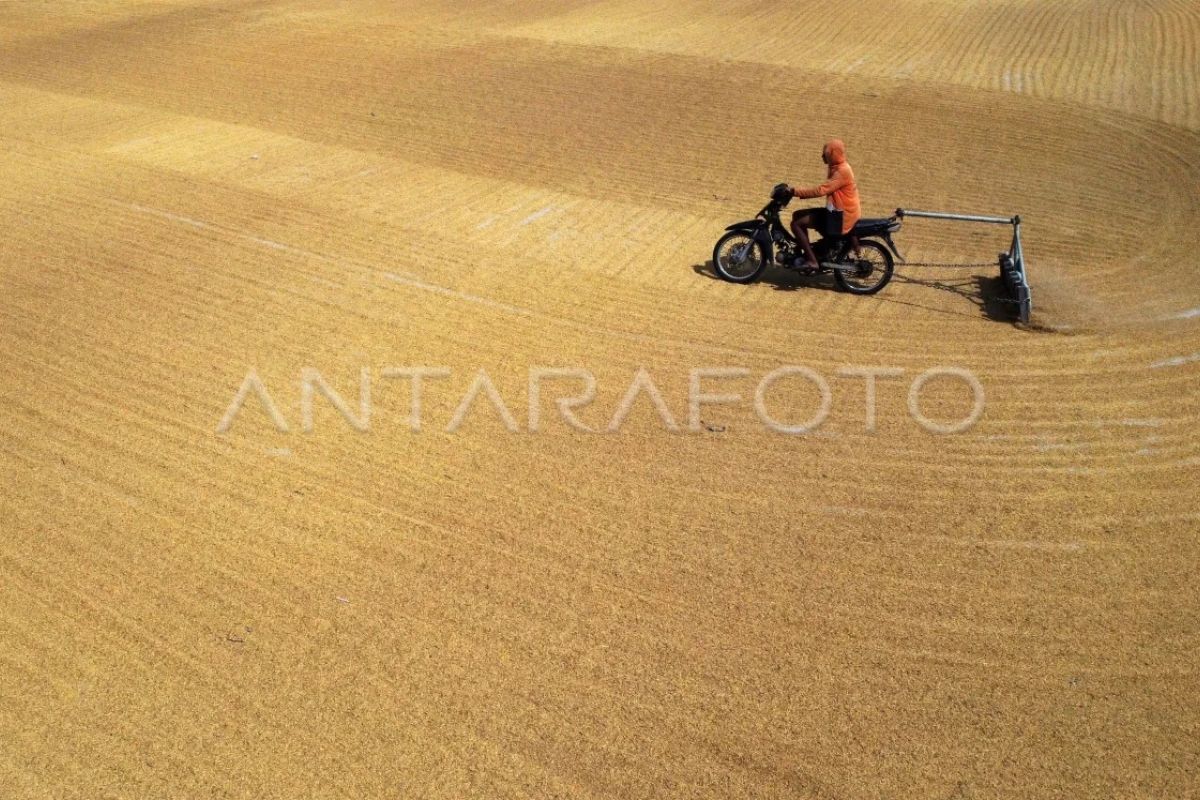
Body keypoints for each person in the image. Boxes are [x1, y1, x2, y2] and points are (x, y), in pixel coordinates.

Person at [789, 139, 861, 269]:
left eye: (826, 154)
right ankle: (807, 253)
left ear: (833, 155)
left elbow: (821, 190)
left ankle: (812, 261)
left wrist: (794, 191)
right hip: (837, 210)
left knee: (796, 223)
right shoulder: (836, 166)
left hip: (841, 216)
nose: (823, 156)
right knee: (797, 214)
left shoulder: (842, 171)